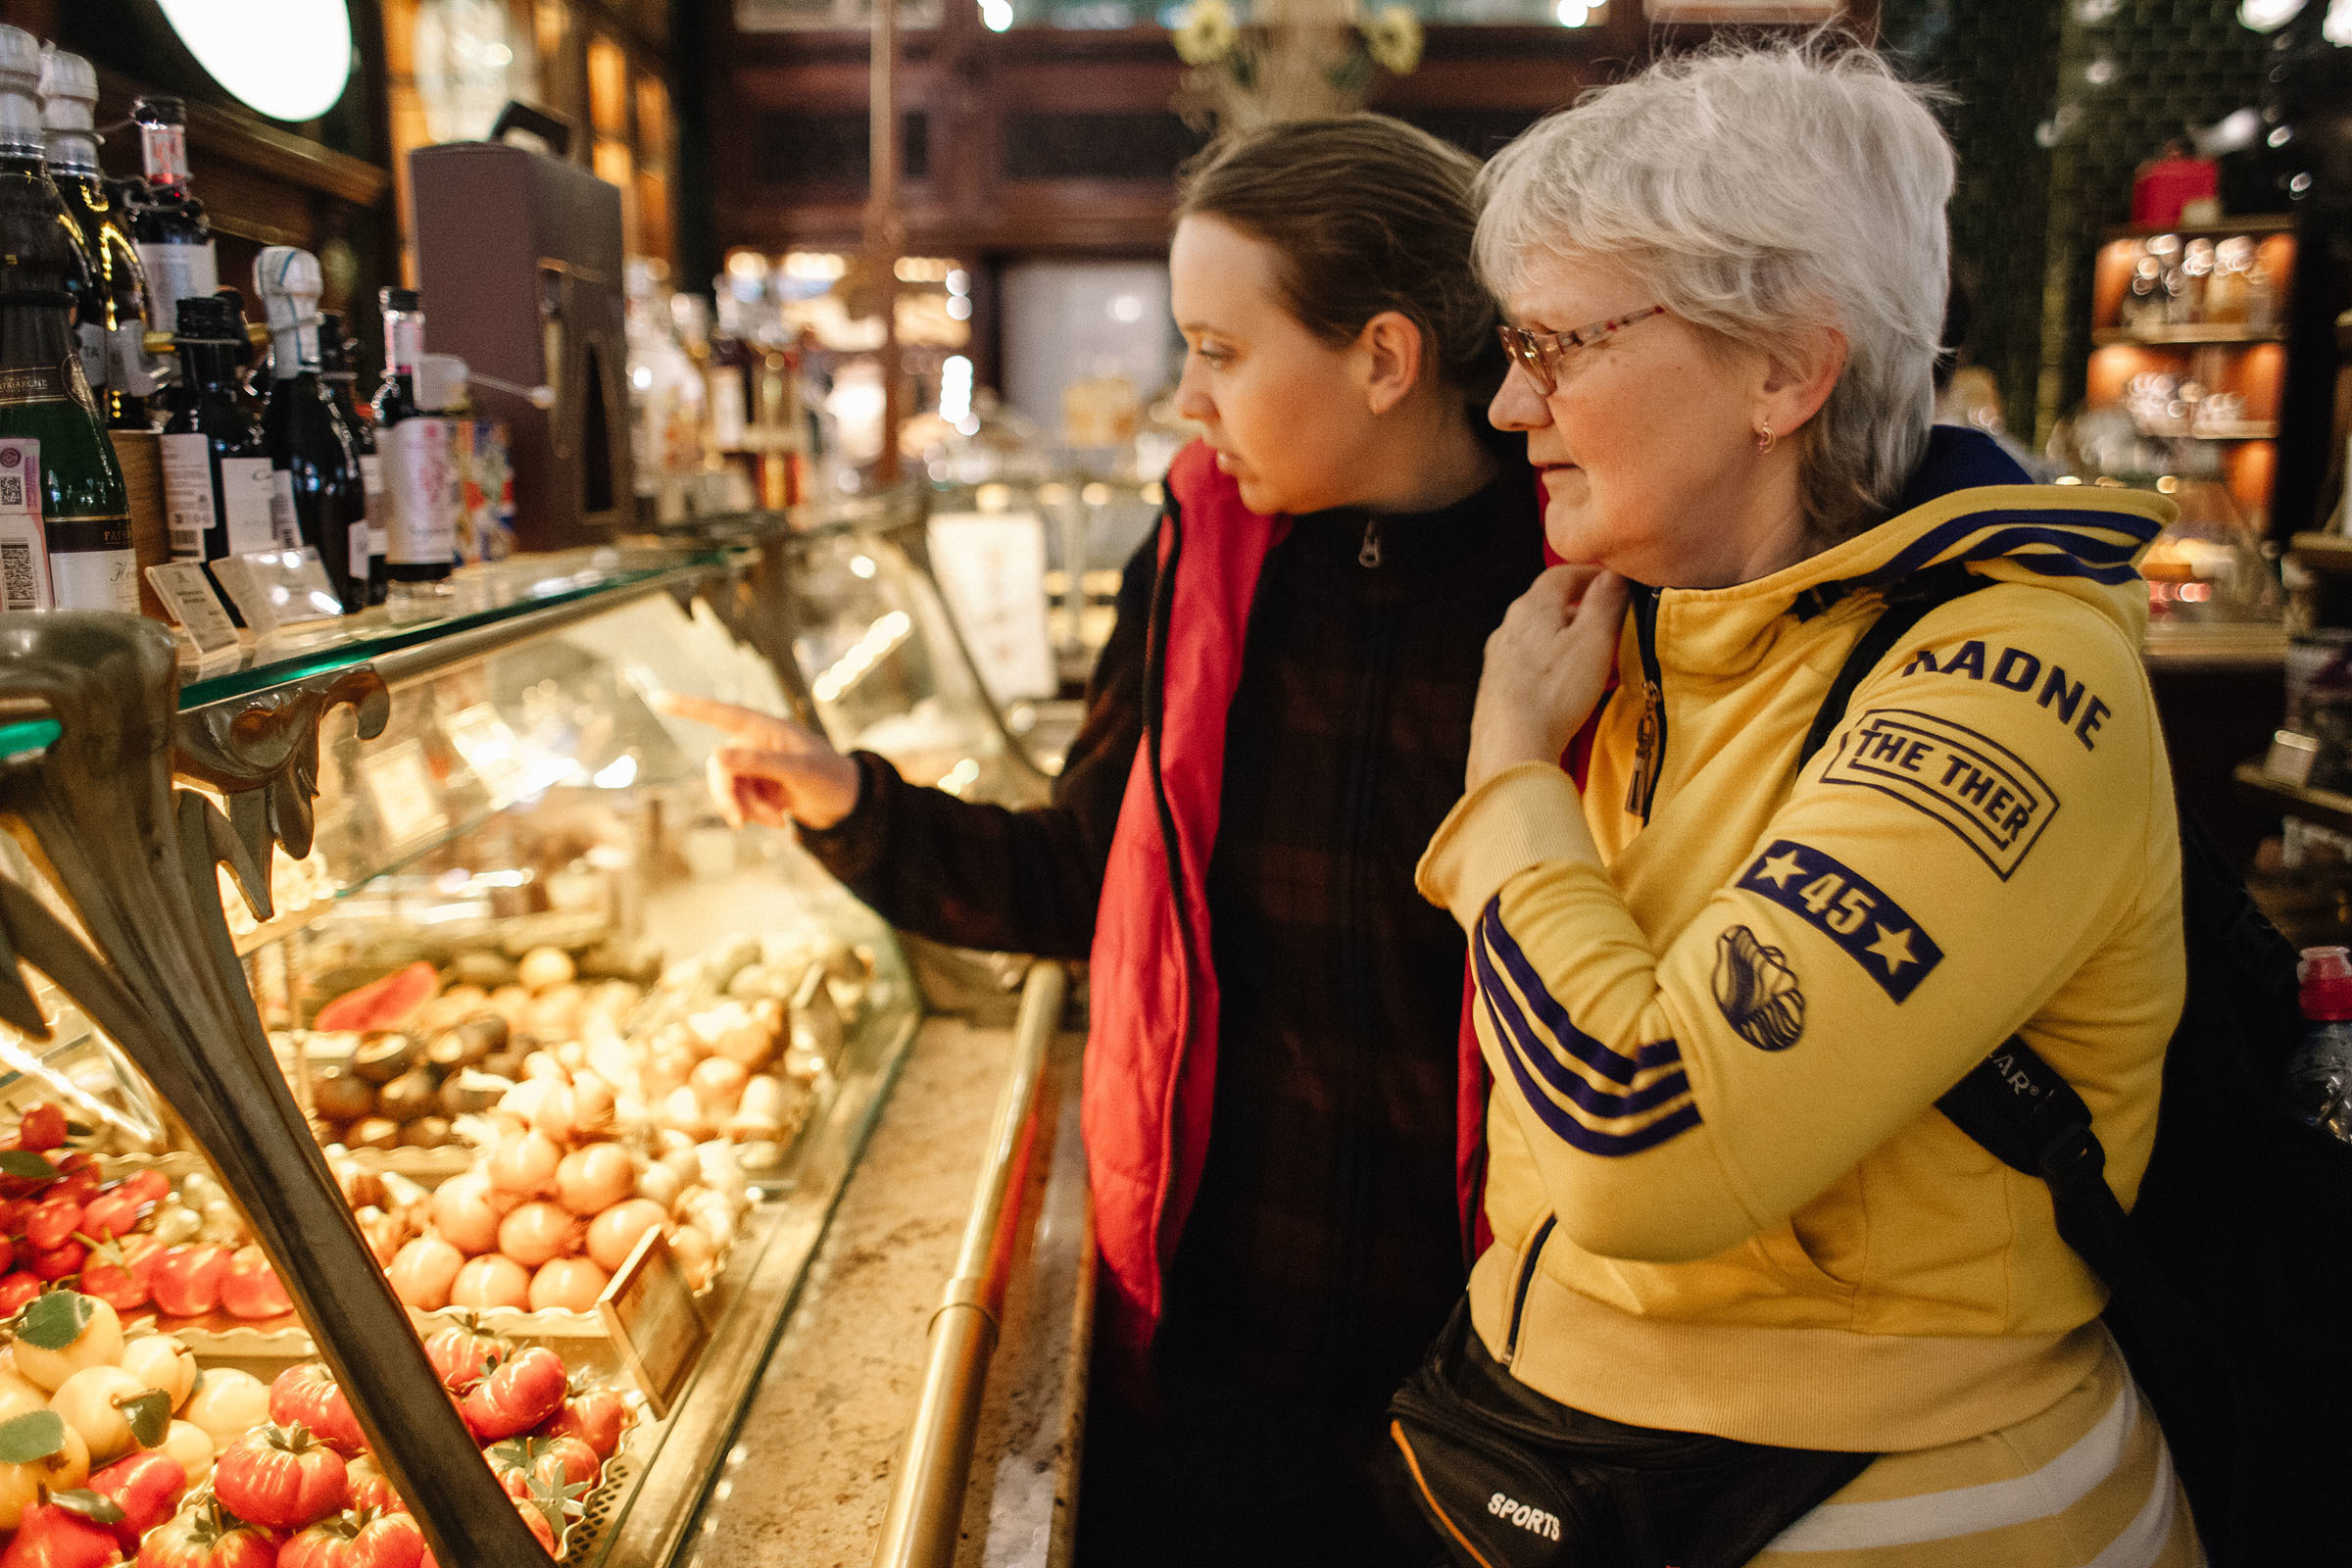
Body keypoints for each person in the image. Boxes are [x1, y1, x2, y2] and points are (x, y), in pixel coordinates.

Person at [664, 116, 1542, 1566]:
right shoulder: (1200, 556)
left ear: (1385, 360)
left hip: (1485, 1361)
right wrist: (851, 802)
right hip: (1214, 1345)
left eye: (1220, 349)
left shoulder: (1577, 586)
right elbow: (1090, 875)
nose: (1182, 399)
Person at [1404, 42, 2200, 1568]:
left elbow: (1646, 1142)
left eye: (1561, 344)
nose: (1512, 401)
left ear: (1785, 368)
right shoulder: (1656, 614)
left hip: (1905, 1498)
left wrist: (1508, 777)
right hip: (1587, 1455)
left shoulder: (2008, 674)